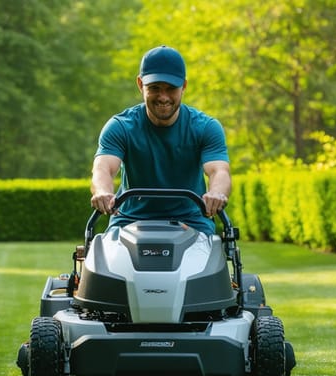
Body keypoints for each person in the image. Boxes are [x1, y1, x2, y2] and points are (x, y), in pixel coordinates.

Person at [90, 45, 232, 236]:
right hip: (129, 221)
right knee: (104, 261)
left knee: (207, 262)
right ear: (140, 85)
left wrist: (216, 193)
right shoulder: (120, 127)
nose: (163, 97)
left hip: (192, 222)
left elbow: (219, 170)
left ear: (184, 86)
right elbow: (103, 168)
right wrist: (102, 192)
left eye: (171, 88)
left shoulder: (205, 127)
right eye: (155, 88)